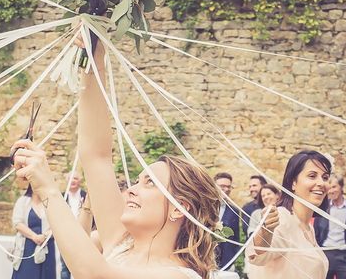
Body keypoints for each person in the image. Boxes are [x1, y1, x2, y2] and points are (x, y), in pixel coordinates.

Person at [12, 40, 222, 279]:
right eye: (138, 181)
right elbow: (96, 156)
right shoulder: (120, 245)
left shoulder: (180, 276)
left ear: (179, 209)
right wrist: (94, 60)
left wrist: (48, 189)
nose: (131, 189)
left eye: (150, 183)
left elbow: (92, 273)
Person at [245, 150, 331, 278]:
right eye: (312, 176)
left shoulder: (308, 228)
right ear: (293, 183)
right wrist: (266, 230)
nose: (321, 183)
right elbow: (259, 254)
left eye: (325, 177)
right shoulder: (282, 218)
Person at [313, 174, 346, 279]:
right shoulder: (321, 208)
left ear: (341, 187)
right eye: (329, 188)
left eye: (334, 187)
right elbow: (316, 232)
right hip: (325, 253)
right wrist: (318, 254)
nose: (331, 191)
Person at [10, 184, 56, 279]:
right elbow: (17, 223)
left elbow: (57, 224)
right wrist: (34, 236)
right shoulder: (22, 201)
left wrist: (45, 236)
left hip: (47, 246)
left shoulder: (51, 203)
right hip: (27, 247)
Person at [61, 171, 87, 279]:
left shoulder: (86, 196)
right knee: (65, 267)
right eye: (70, 178)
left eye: (75, 178)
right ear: (67, 180)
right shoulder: (61, 197)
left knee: (84, 266)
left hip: (84, 236)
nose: (73, 181)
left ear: (80, 181)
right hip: (66, 237)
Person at [213, 172, 241, 270]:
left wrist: (231, 259)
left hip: (226, 263)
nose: (226, 189)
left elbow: (235, 238)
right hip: (203, 260)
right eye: (222, 186)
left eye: (229, 187)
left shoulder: (234, 211)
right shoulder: (204, 207)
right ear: (214, 186)